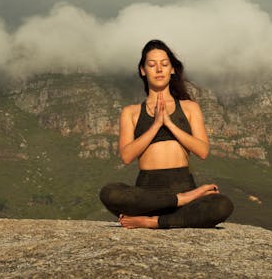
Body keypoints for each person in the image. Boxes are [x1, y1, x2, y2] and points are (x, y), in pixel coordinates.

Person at [99, 39, 234, 229]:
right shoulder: (131, 112)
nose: (159, 69)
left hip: (183, 184)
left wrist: (169, 124)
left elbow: (202, 151)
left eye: (164, 64)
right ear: (142, 70)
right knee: (109, 192)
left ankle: (153, 222)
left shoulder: (189, 108)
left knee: (222, 205)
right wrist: (155, 126)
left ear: (172, 69)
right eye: (152, 65)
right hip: (148, 194)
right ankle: (178, 201)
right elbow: (127, 156)